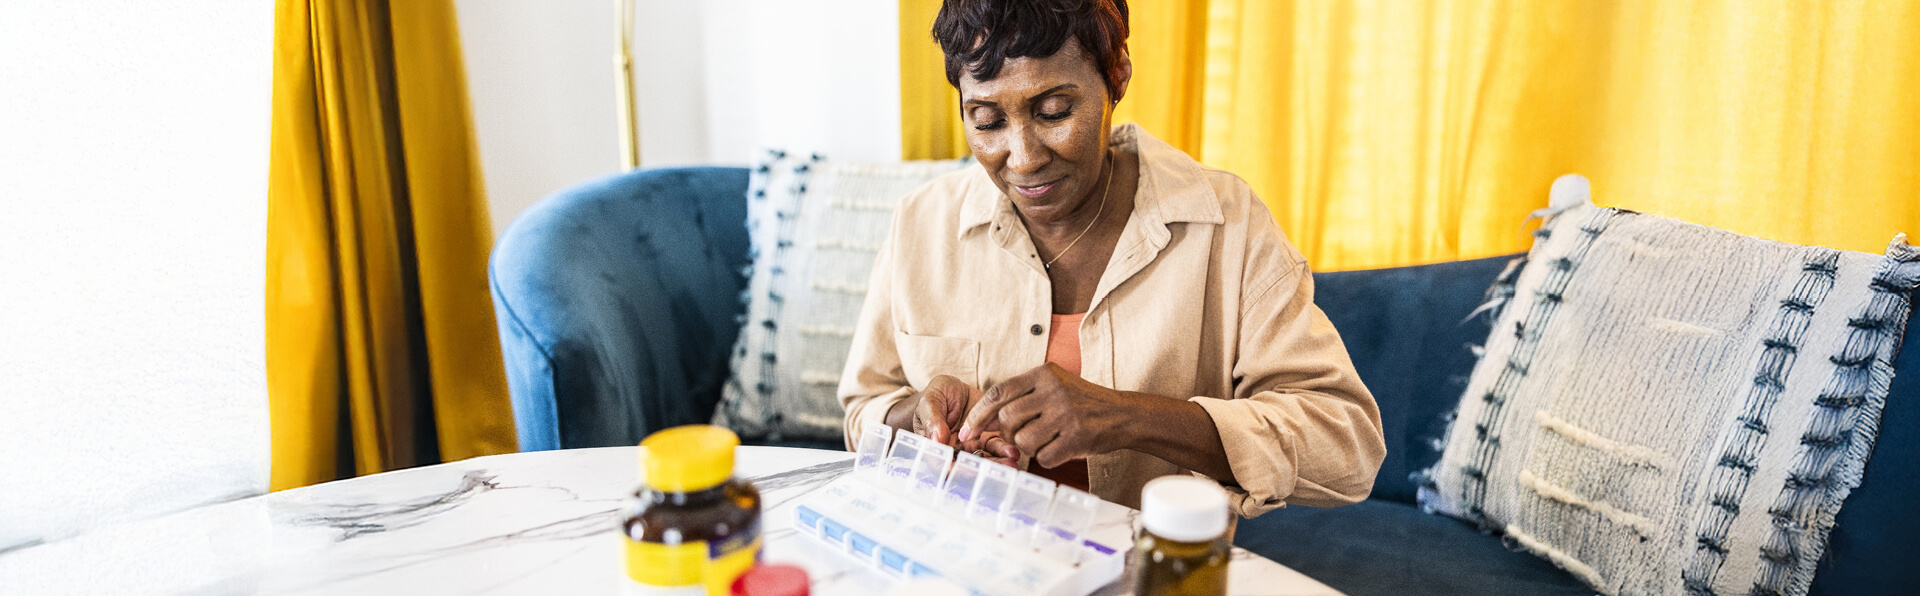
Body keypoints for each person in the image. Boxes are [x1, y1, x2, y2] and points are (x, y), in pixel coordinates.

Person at [838, 0, 1385, 516]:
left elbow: (1346, 444)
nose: (1023, 158)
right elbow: (864, 409)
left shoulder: (1226, 225)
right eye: (986, 121)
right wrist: (919, 419)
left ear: (1117, 76)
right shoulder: (920, 224)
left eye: (1054, 111)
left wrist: (1126, 416)